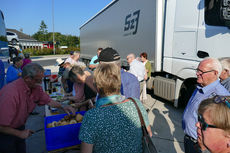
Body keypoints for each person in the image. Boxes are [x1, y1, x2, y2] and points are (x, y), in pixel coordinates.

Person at [0, 63, 75, 153]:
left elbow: (48, 100)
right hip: (6, 133)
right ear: (28, 78)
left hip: (19, 127)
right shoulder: (11, 94)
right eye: (38, 80)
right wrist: (20, 133)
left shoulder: (34, 87)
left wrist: (63, 106)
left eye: (41, 79)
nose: (40, 83)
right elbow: (1, 126)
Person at [79, 63, 152, 153]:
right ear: (118, 83)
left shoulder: (91, 116)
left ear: (97, 88)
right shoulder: (136, 104)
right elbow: (149, 135)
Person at [182, 57, 230, 153]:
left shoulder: (220, 96)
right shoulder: (201, 86)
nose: (197, 73)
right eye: (197, 70)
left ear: (215, 73)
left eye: (201, 71)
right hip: (189, 139)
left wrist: (204, 148)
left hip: (201, 146)